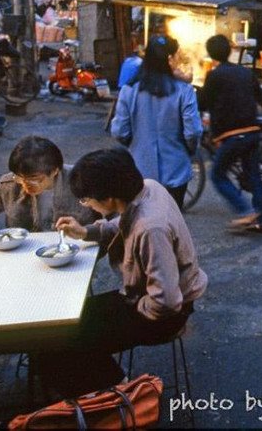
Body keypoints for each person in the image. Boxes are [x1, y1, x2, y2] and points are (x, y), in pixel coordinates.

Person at [19, 148, 207, 397]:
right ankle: (107, 384)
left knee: (64, 343)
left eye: (87, 200)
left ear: (108, 199)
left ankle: (119, 392)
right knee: (61, 327)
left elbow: (167, 301)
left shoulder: (150, 229)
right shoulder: (148, 187)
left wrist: (133, 306)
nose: (87, 205)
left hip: (163, 313)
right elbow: (123, 220)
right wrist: (86, 232)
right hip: (144, 296)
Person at [110, 35, 203, 209]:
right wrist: (187, 150)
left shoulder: (129, 90)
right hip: (175, 171)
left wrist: (135, 144)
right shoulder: (184, 90)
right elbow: (193, 132)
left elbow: (119, 131)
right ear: (169, 59)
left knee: (141, 224)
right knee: (172, 224)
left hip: (139, 171)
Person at [199, 34, 262, 234]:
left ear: (211, 54)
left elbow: (202, 103)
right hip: (252, 132)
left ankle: (245, 211)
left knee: (217, 175)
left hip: (232, 135)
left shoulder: (214, 75)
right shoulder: (245, 72)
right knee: (253, 175)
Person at [0, 136, 97, 236]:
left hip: (76, 252)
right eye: (20, 178)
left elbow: (112, 220)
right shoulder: (10, 183)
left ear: (54, 170)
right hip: (25, 253)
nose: (25, 184)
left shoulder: (82, 181)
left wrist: (91, 236)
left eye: (33, 179)